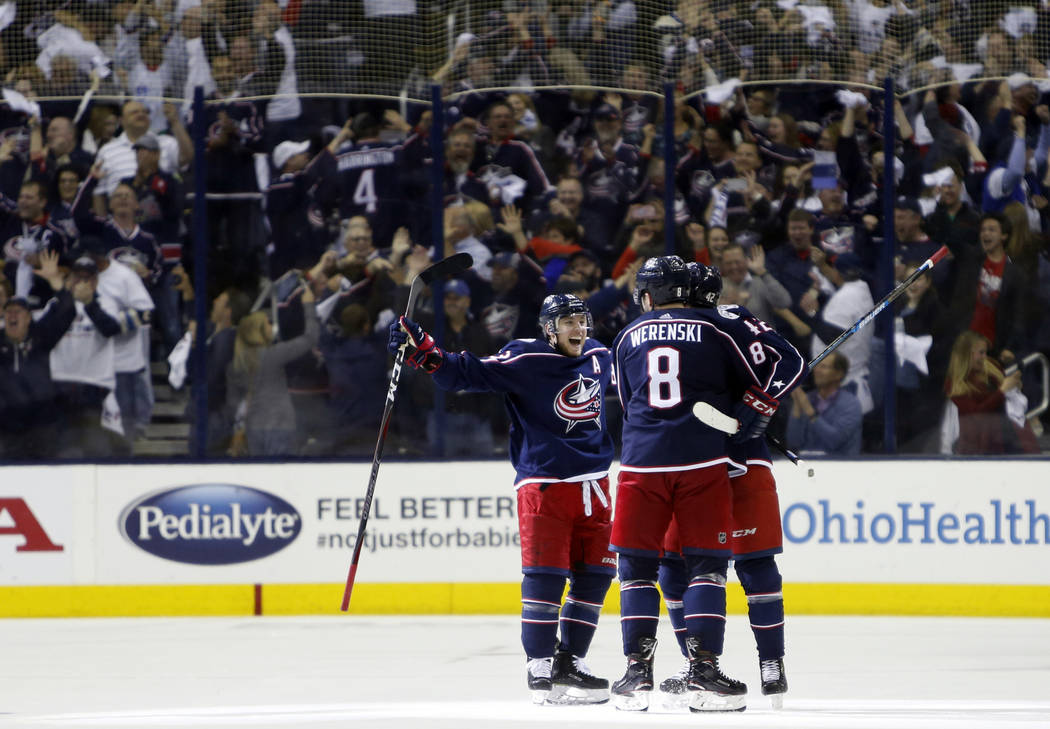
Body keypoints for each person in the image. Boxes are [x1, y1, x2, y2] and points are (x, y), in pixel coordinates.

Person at [388, 293, 615, 706]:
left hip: (597, 487)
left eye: (582, 320)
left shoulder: (600, 355)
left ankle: (570, 662)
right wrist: (424, 352)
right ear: (548, 328)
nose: (578, 329)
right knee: (546, 576)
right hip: (545, 486)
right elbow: (465, 372)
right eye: (568, 322)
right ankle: (540, 666)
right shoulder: (525, 359)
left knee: (596, 578)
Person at [609, 256, 805, 713]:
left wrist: (756, 402)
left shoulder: (625, 335)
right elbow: (780, 363)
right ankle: (706, 671)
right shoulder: (719, 326)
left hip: (642, 460)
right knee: (708, 568)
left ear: (647, 295)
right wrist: (760, 401)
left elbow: (627, 397)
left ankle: (637, 676)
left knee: (640, 569)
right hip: (706, 460)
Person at [226, 284, 319, 457]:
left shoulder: (235, 364)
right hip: (280, 426)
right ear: (258, 330)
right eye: (268, 323)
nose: (272, 326)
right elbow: (310, 338)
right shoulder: (273, 355)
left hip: (253, 429)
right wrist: (308, 305)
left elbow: (234, 404)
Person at [944, 331, 1038, 455]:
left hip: (1006, 433)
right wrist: (1002, 391)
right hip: (978, 443)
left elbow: (1005, 382)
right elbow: (975, 413)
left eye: (986, 352)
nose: (985, 357)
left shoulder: (991, 366)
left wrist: (1014, 381)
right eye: (981, 353)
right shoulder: (954, 383)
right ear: (966, 354)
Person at [785, 352, 864, 456]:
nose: (817, 370)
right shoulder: (807, 398)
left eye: (824, 367)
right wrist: (797, 405)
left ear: (838, 374)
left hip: (842, 466)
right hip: (808, 466)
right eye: (817, 365)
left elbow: (834, 440)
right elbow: (793, 443)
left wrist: (809, 410)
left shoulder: (851, 404)